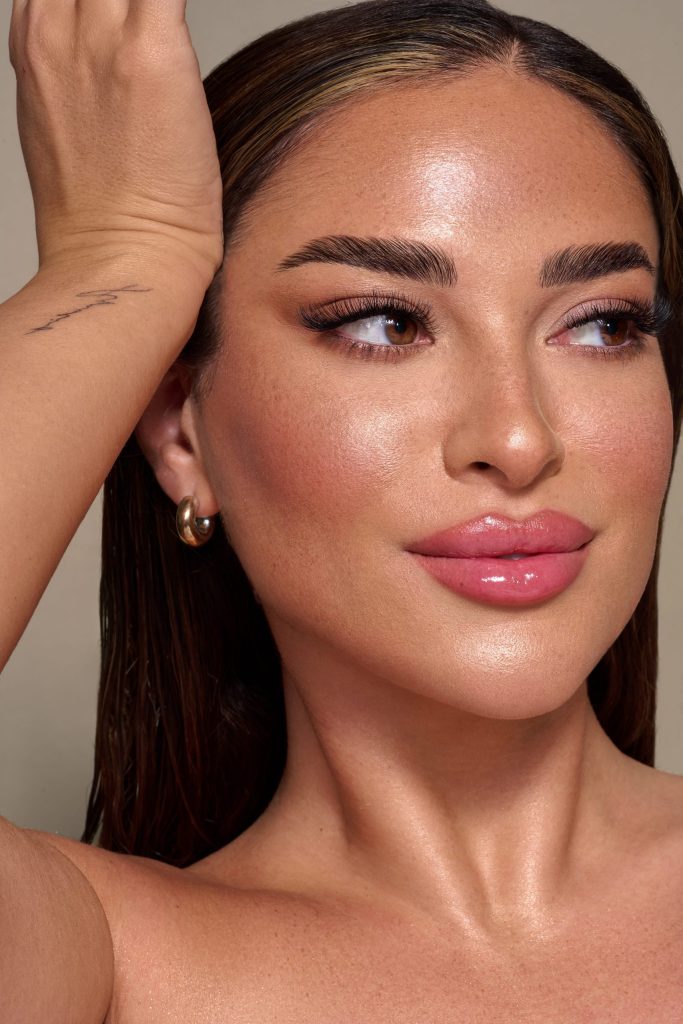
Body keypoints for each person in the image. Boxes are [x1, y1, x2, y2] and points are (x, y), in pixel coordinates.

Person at [2, 0, 682, 1018]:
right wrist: (122, 255)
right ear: (181, 436)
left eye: (601, 325)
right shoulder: (110, 966)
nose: (519, 438)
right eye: (384, 322)